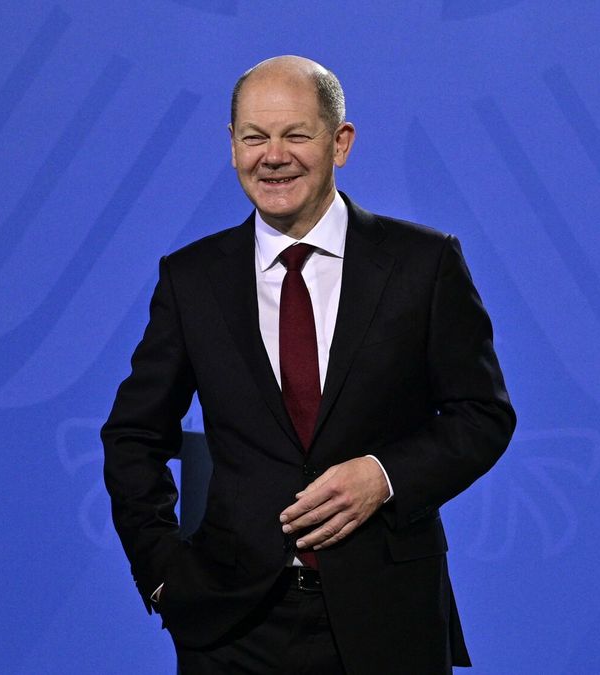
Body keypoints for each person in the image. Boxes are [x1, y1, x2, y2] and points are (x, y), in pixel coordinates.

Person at [102, 55, 515, 674]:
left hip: (387, 617)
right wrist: (163, 572)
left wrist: (384, 475)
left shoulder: (423, 264)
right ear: (232, 146)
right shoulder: (192, 279)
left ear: (340, 143)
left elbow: (482, 415)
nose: (274, 156)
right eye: (254, 137)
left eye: (296, 134)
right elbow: (134, 435)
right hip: (231, 627)